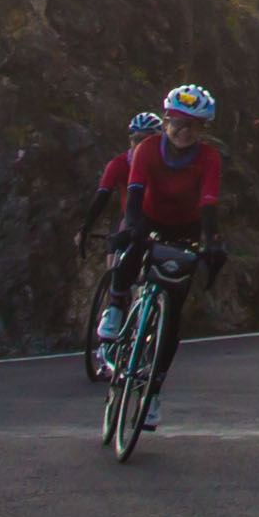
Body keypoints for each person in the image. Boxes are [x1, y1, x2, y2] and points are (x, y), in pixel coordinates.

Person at [95, 85, 230, 426]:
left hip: (186, 225)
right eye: (178, 124)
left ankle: (152, 394)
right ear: (166, 121)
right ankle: (114, 308)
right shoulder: (148, 150)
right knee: (134, 244)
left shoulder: (209, 158)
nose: (184, 133)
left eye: (194, 127)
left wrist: (211, 241)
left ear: (203, 130)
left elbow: (208, 203)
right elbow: (136, 193)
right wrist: (133, 227)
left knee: (171, 320)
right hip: (148, 216)